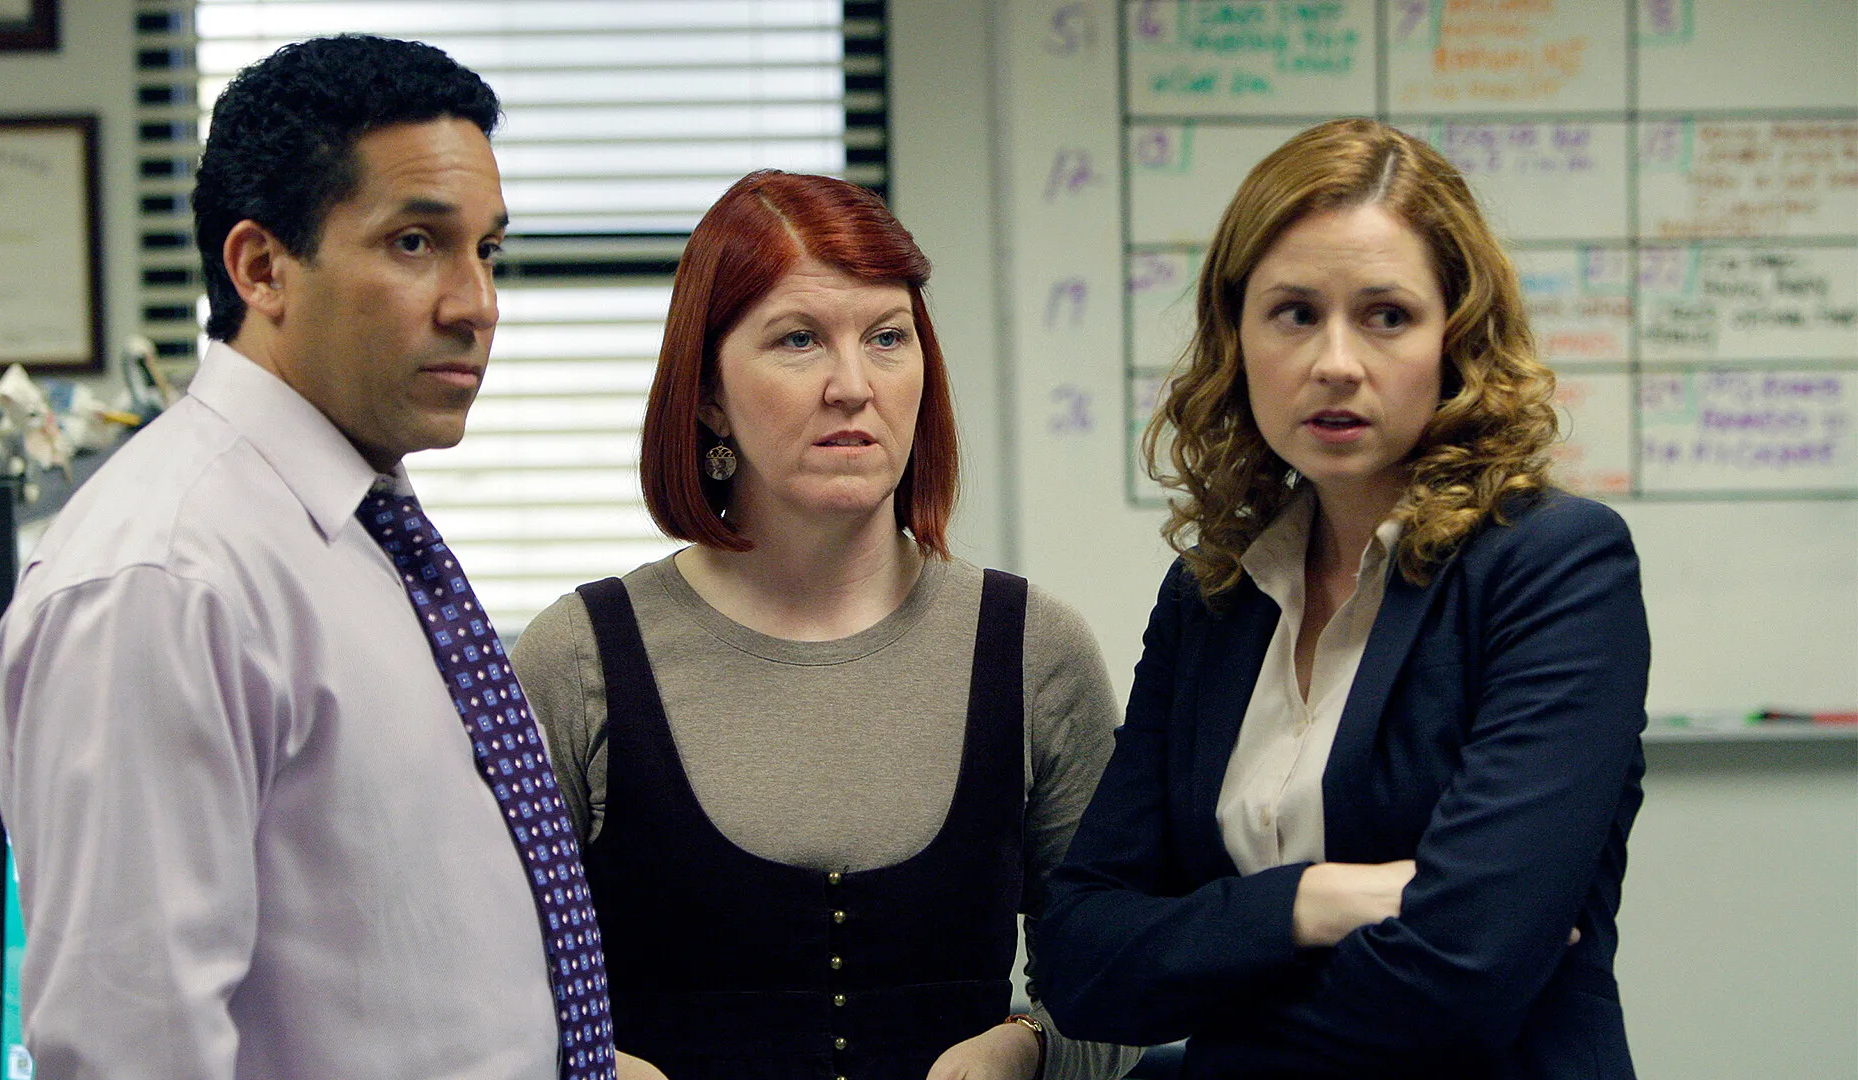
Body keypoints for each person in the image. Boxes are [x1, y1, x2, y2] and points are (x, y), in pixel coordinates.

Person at [0, 35, 660, 1080]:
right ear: (262, 268)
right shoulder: (164, 579)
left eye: (488, 250)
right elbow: (134, 1048)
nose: (475, 303)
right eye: (414, 243)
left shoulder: (368, 533)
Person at [1036, 118, 1650, 1078]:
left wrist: (1207, 983)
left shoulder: (1553, 566)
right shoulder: (1213, 593)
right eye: (1293, 313)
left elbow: (1463, 978)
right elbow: (1080, 958)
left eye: (1386, 315)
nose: (1335, 362)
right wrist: (1309, 903)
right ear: (1236, 338)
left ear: (1457, 338)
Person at [512, 170, 1142, 1080]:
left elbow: (1119, 986)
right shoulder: (577, 661)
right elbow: (482, 990)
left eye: (887, 337)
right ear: (708, 393)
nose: (853, 386)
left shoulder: (1035, 651)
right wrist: (588, 1067)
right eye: (798, 339)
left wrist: (1029, 1049)